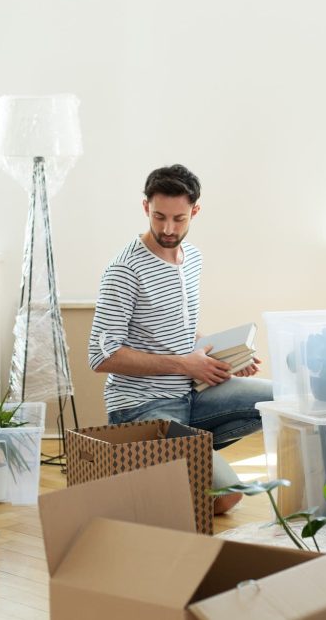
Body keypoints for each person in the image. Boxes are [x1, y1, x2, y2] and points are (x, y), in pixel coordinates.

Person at [87, 164, 272, 512]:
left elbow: (182, 332)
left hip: (190, 394)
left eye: (179, 219)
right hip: (141, 405)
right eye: (159, 217)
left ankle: (181, 458)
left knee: (279, 400)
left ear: (195, 212)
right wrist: (185, 364)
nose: (168, 229)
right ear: (145, 208)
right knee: (226, 498)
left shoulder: (192, 259)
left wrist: (225, 362)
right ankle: (158, 465)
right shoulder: (124, 270)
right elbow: (101, 357)